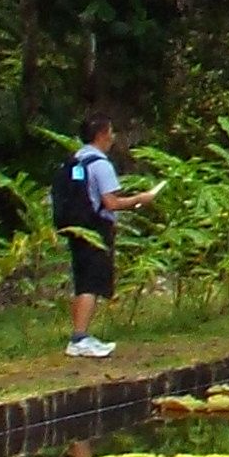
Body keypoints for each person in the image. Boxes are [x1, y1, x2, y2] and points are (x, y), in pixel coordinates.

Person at [57, 116, 147, 358]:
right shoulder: (101, 164)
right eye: (111, 131)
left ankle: (79, 335)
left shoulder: (76, 160)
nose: (113, 136)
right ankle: (79, 338)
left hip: (76, 227)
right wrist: (140, 199)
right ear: (101, 134)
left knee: (81, 280)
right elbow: (111, 202)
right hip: (96, 229)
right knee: (91, 283)